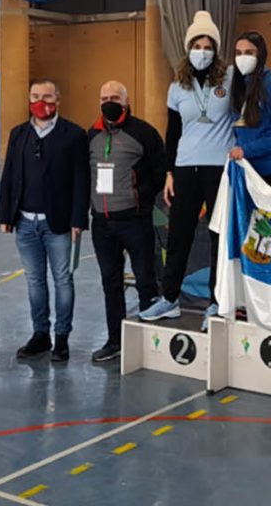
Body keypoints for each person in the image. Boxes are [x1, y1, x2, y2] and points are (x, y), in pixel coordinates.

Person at [140, 11, 232, 325]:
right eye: (197, 45)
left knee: (219, 237)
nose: (202, 51)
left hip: (219, 169)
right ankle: (169, 299)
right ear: (188, 47)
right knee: (179, 236)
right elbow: (173, 133)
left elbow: (262, 86)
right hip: (184, 168)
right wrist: (168, 173)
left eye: (208, 46)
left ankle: (217, 302)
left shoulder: (230, 78)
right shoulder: (176, 87)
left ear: (216, 50)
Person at [0, 79, 90, 363]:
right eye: (35, 96)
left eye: (47, 96)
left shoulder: (73, 134)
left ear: (58, 100)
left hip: (59, 223)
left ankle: (62, 337)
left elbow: (81, 180)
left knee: (63, 279)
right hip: (25, 222)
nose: (40, 101)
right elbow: (10, 174)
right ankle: (41, 334)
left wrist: (78, 218)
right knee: (34, 281)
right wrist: (5, 215)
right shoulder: (19, 133)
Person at [86, 81, 166, 362]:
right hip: (102, 224)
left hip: (135, 221)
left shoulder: (143, 133)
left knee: (145, 278)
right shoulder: (91, 135)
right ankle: (115, 340)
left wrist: (140, 200)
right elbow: (87, 176)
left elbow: (159, 172)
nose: (109, 101)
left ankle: (149, 340)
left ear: (126, 100)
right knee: (111, 282)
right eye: (104, 97)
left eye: (115, 98)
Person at [229, 31, 271, 198]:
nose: (242, 57)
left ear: (261, 54)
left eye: (249, 53)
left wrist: (246, 150)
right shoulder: (239, 83)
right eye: (238, 53)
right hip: (250, 171)